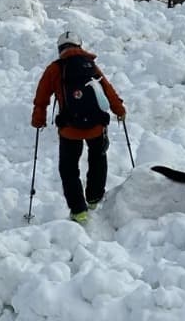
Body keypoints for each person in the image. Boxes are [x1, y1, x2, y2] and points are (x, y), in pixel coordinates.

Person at [31, 30, 126, 223]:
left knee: (69, 169)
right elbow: (107, 89)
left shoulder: (55, 69)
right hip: (96, 127)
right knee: (98, 159)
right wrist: (119, 109)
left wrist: (39, 118)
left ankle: (78, 210)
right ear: (79, 46)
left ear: (60, 49)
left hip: (69, 129)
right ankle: (94, 197)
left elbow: (42, 96)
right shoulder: (90, 66)